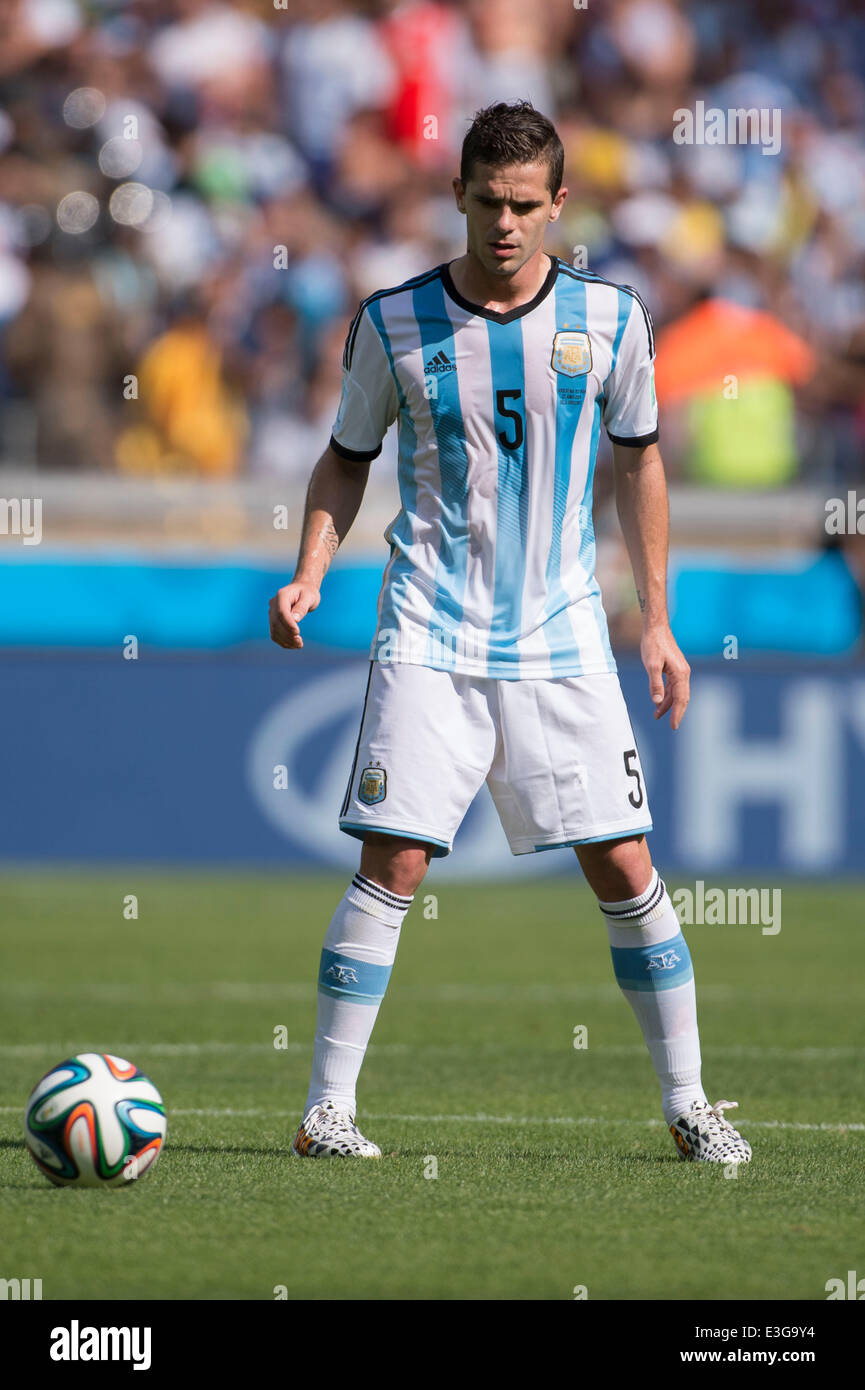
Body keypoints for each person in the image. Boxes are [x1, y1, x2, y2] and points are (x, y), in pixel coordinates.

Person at [269, 101, 751, 1166]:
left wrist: (659, 623)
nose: (505, 224)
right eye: (487, 201)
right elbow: (346, 456)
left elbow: (642, 460)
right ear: (457, 195)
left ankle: (688, 1103)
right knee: (393, 859)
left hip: (564, 633)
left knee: (624, 864)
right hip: (430, 629)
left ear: (558, 206)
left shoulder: (614, 320)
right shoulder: (392, 322)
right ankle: (324, 1110)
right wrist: (310, 569)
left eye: (525, 205)